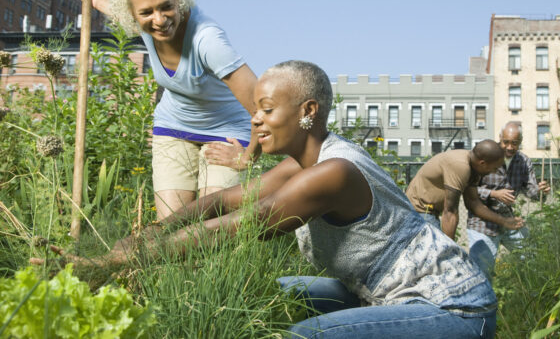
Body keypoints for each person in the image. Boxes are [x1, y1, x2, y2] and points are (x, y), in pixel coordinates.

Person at [39, 61, 497, 338]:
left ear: (308, 112)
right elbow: (220, 203)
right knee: (258, 296)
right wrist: (152, 232)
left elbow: (242, 224)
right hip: (380, 296)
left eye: (267, 109)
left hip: (452, 309)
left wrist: (118, 263)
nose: (255, 120)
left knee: (303, 336)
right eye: (254, 108)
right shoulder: (300, 164)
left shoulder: (334, 172)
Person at [77, 0, 259, 221]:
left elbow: (262, 108)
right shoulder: (143, 22)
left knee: (213, 225)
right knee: (171, 229)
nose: (159, 20)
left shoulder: (207, 41)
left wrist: (247, 158)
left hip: (226, 131)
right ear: (133, 14)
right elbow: (119, 9)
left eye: (166, 7)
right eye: (147, 12)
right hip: (174, 128)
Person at [467, 121, 551, 279]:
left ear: (521, 141)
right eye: (506, 142)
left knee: (532, 259)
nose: (510, 147)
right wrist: (493, 194)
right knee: (481, 273)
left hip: (509, 220)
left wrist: (541, 191)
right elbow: (468, 190)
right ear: (500, 138)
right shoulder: (485, 155)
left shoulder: (524, 161)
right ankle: (483, 303)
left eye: (515, 143)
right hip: (482, 223)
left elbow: (531, 191)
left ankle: (525, 296)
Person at [406, 143, 524, 239]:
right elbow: (450, 212)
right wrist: (450, 251)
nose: (494, 172)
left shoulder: (474, 168)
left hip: (429, 212)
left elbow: (474, 204)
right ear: (482, 163)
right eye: (494, 168)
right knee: (435, 257)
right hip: (419, 211)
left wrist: (505, 221)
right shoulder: (460, 166)